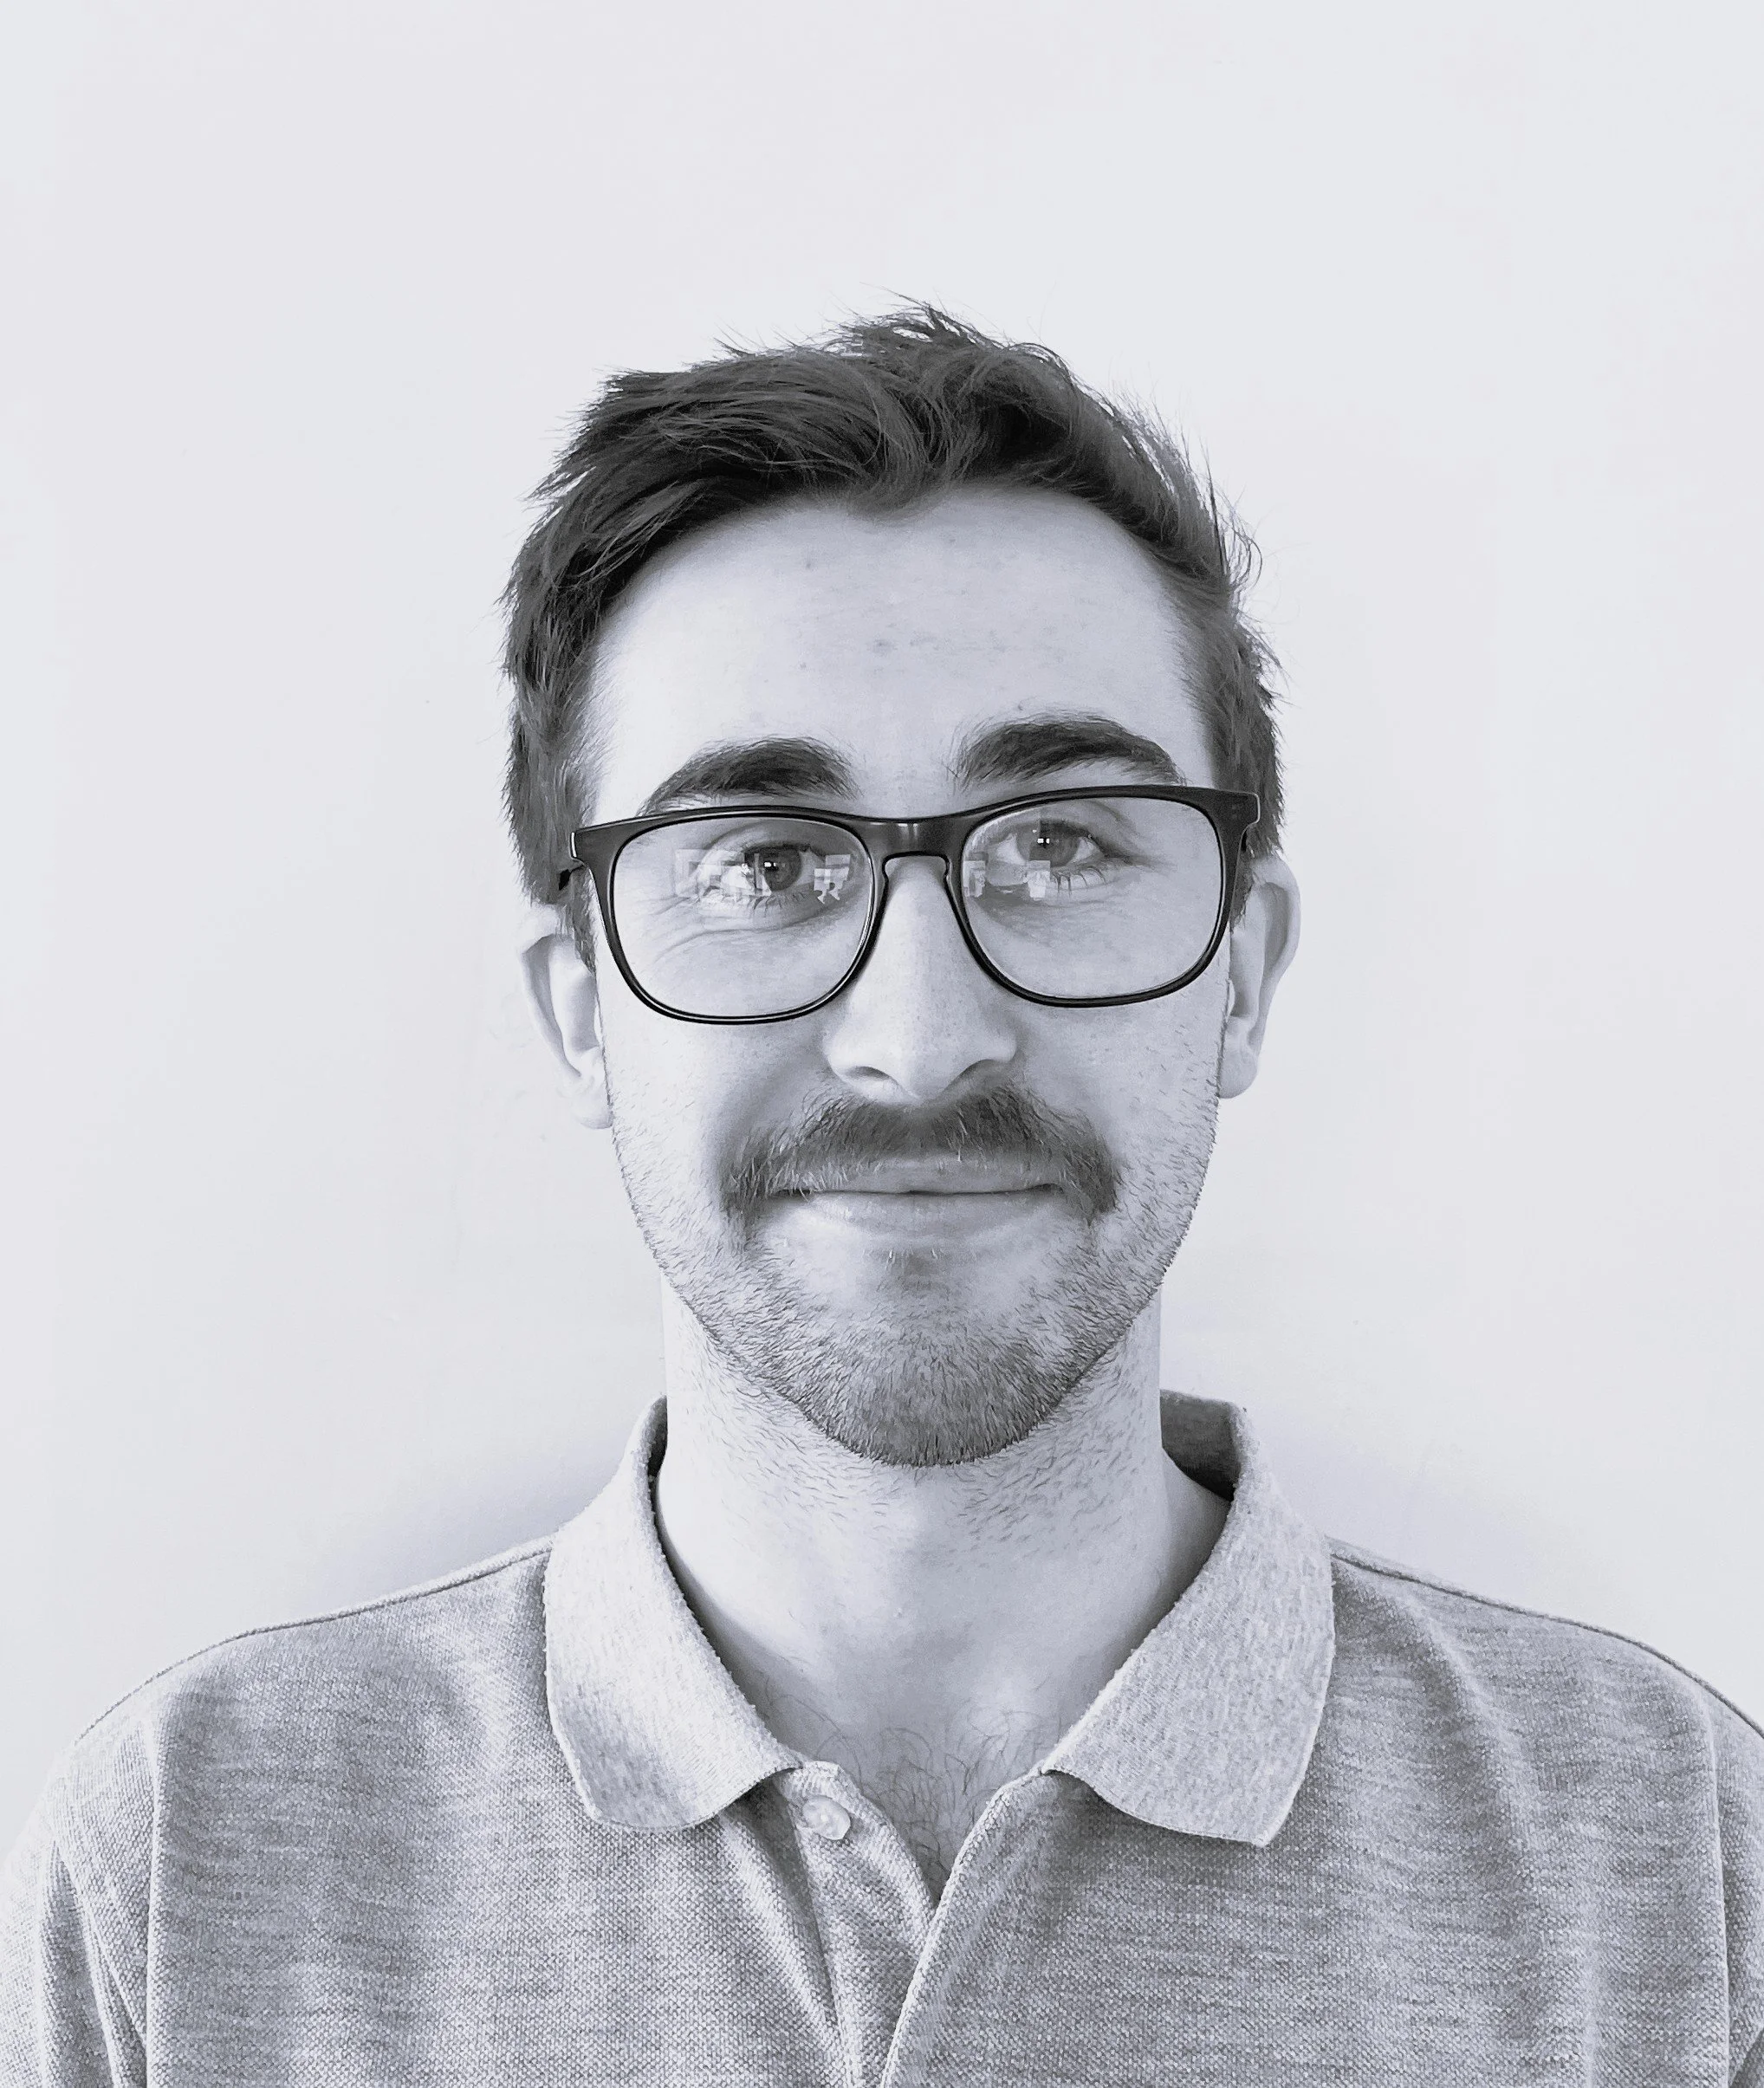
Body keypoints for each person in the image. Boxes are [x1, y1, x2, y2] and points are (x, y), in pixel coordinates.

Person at [3, 308, 1760, 2087]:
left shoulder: (1673, 1859)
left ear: (1240, 974)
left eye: (1063, 841)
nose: (917, 1039)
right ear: (582, 1010)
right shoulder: (190, 1862)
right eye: (764, 862)